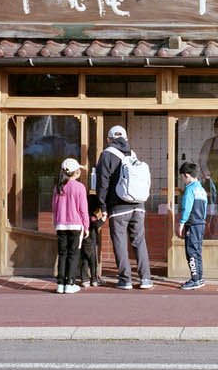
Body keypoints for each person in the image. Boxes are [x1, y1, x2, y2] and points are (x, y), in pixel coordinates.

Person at [95, 125, 152, 289]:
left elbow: (102, 183)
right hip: (139, 205)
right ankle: (145, 278)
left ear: (109, 139)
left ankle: (125, 279)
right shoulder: (133, 154)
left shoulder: (107, 155)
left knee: (120, 242)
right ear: (126, 139)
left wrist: (102, 206)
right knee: (139, 241)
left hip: (119, 206)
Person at [51, 157, 88, 294]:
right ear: (77, 172)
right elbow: (83, 209)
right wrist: (87, 226)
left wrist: (56, 223)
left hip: (61, 225)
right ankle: (70, 283)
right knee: (73, 254)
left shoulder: (58, 186)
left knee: (62, 254)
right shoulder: (80, 187)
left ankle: (60, 283)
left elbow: (54, 208)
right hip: (75, 225)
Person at [177, 161, 208, 290]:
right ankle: (199, 278)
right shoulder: (201, 189)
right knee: (197, 251)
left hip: (192, 224)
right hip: (200, 223)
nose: (182, 180)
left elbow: (186, 207)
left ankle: (195, 279)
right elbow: (205, 209)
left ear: (187, 175)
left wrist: (181, 223)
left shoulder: (190, 189)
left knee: (191, 252)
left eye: (182, 177)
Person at [78, 201, 106, 287]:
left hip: (83, 242)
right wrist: (103, 218)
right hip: (92, 243)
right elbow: (96, 224)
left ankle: (84, 280)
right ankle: (94, 280)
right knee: (93, 262)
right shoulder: (92, 216)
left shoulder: (82, 216)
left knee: (84, 261)